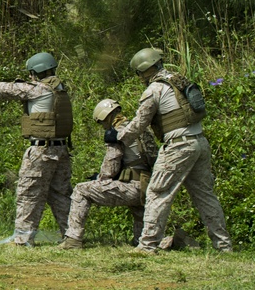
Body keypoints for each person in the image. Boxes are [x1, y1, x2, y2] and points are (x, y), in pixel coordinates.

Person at [110, 48, 233, 253]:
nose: (140, 78)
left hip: (178, 146)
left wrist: (119, 136)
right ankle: (224, 245)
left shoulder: (154, 89)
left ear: (144, 70)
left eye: (139, 74)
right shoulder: (179, 80)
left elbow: (140, 123)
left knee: (157, 192)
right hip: (199, 142)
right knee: (205, 196)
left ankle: (147, 245)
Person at [0, 52, 73, 247]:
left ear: (36, 71)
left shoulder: (39, 90)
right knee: (60, 195)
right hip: (61, 149)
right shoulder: (60, 89)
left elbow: (12, 89)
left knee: (28, 192)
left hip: (42, 150)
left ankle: (22, 239)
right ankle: (72, 235)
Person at [57, 98, 157, 250]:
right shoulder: (141, 130)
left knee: (81, 190)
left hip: (131, 187)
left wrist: (100, 178)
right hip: (147, 186)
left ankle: (73, 240)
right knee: (141, 227)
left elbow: (111, 166)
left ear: (106, 117)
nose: (103, 127)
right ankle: (164, 240)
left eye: (101, 122)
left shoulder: (116, 133)